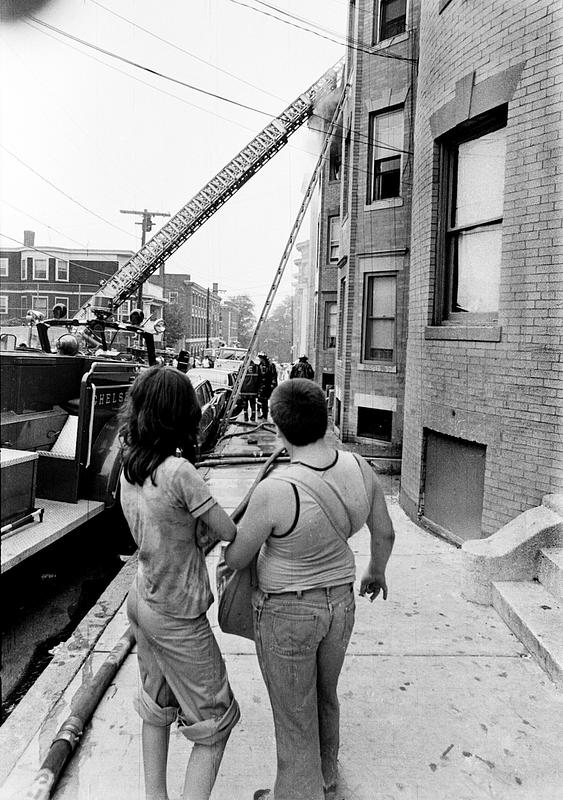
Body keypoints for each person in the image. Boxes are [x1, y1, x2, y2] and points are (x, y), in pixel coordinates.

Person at [225, 379, 395, 800]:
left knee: (293, 713)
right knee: (325, 695)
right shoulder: (359, 468)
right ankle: (325, 776)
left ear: (278, 429)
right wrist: (376, 571)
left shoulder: (274, 490)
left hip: (287, 614)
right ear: (324, 418)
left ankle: (296, 795)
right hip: (340, 604)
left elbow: (235, 559)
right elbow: (385, 533)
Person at [120, 366, 240, 800]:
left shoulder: (129, 468)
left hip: (143, 599)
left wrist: (193, 533)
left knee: (157, 705)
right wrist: (207, 529)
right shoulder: (179, 472)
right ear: (180, 414)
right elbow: (227, 530)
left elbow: (160, 531)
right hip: (177, 615)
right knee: (217, 719)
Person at [256, 351, 278, 420]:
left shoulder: (271, 365)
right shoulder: (260, 366)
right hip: (262, 385)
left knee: (268, 401)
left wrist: (273, 384)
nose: (260, 359)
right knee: (262, 401)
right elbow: (258, 376)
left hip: (268, 385)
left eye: (261, 358)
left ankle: (269, 415)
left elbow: (274, 375)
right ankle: (264, 414)